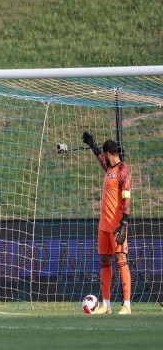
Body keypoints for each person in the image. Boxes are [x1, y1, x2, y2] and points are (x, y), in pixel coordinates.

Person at [82, 132, 132, 315]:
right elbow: (100, 158)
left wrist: (124, 223)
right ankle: (106, 305)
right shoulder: (110, 169)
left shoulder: (123, 171)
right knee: (104, 262)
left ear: (110, 154)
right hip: (103, 225)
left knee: (121, 260)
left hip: (117, 225)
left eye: (105, 155)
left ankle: (126, 304)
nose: (104, 159)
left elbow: (127, 198)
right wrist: (92, 145)